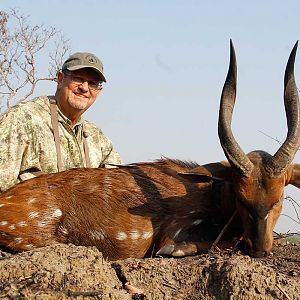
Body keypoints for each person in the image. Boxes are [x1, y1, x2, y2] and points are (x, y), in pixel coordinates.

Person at [0, 52, 122, 193]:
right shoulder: (21, 120)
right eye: (78, 79)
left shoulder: (97, 138)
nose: (84, 88)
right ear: (60, 79)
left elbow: (119, 190)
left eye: (92, 83)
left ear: (98, 91)